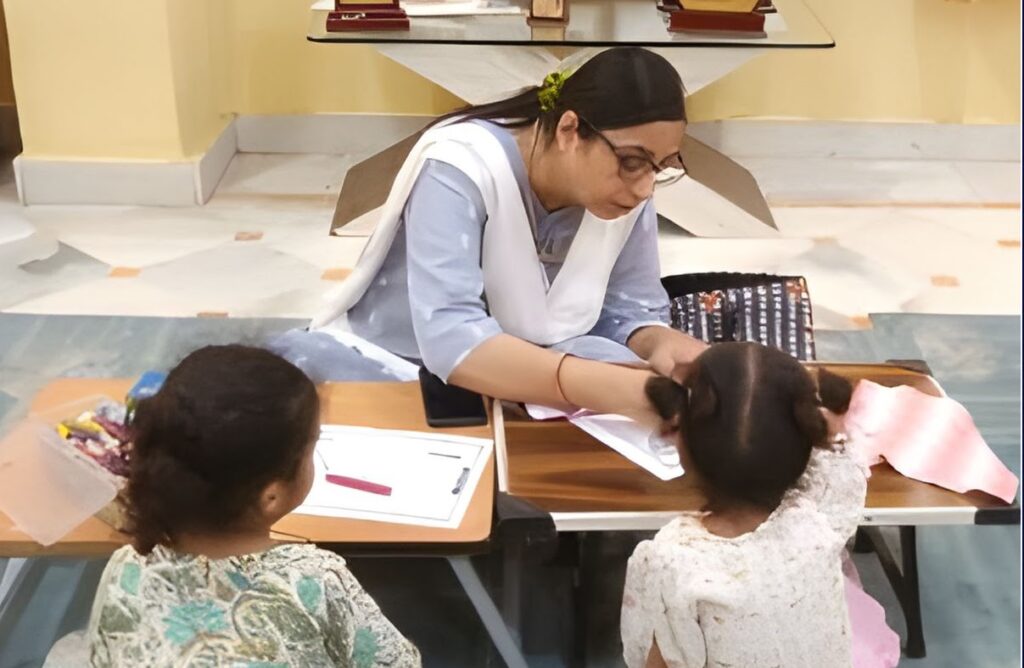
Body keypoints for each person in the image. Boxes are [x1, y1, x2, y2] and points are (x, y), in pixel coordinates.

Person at [275, 47, 706, 426]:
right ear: (568, 130)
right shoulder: (462, 167)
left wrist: (659, 341)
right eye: (632, 162)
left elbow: (626, 308)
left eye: (662, 166)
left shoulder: (628, 190)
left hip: (547, 361)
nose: (645, 187)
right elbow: (451, 336)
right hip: (411, 363)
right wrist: (585, 383)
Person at [85, 345, 420, 667]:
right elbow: (395, 662)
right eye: (311, 447)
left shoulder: (125, 565)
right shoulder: (312, 578)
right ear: (271, 497)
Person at [621, 342, 887, 668]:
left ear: (680, 439)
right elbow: (839, 456)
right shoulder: (821, 515)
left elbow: (660, 661)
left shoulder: (673, 559)